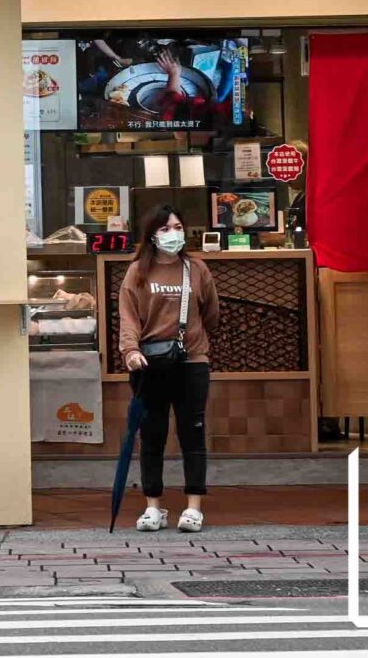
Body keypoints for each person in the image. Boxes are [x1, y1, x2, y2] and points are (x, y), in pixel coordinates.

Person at [118, 204, 221, 533]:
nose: (172, 234)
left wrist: (193, 339)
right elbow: (129, 317)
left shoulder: (197, 269)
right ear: (151, 235)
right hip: (149, 363)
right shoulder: (138, 272)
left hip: (192, 362)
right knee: (152, 435)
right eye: (164, 229)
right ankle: (153, 507)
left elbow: (212, 314)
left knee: (193, 432)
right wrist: (131, 351)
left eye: (176, 227)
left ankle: (193, 507)